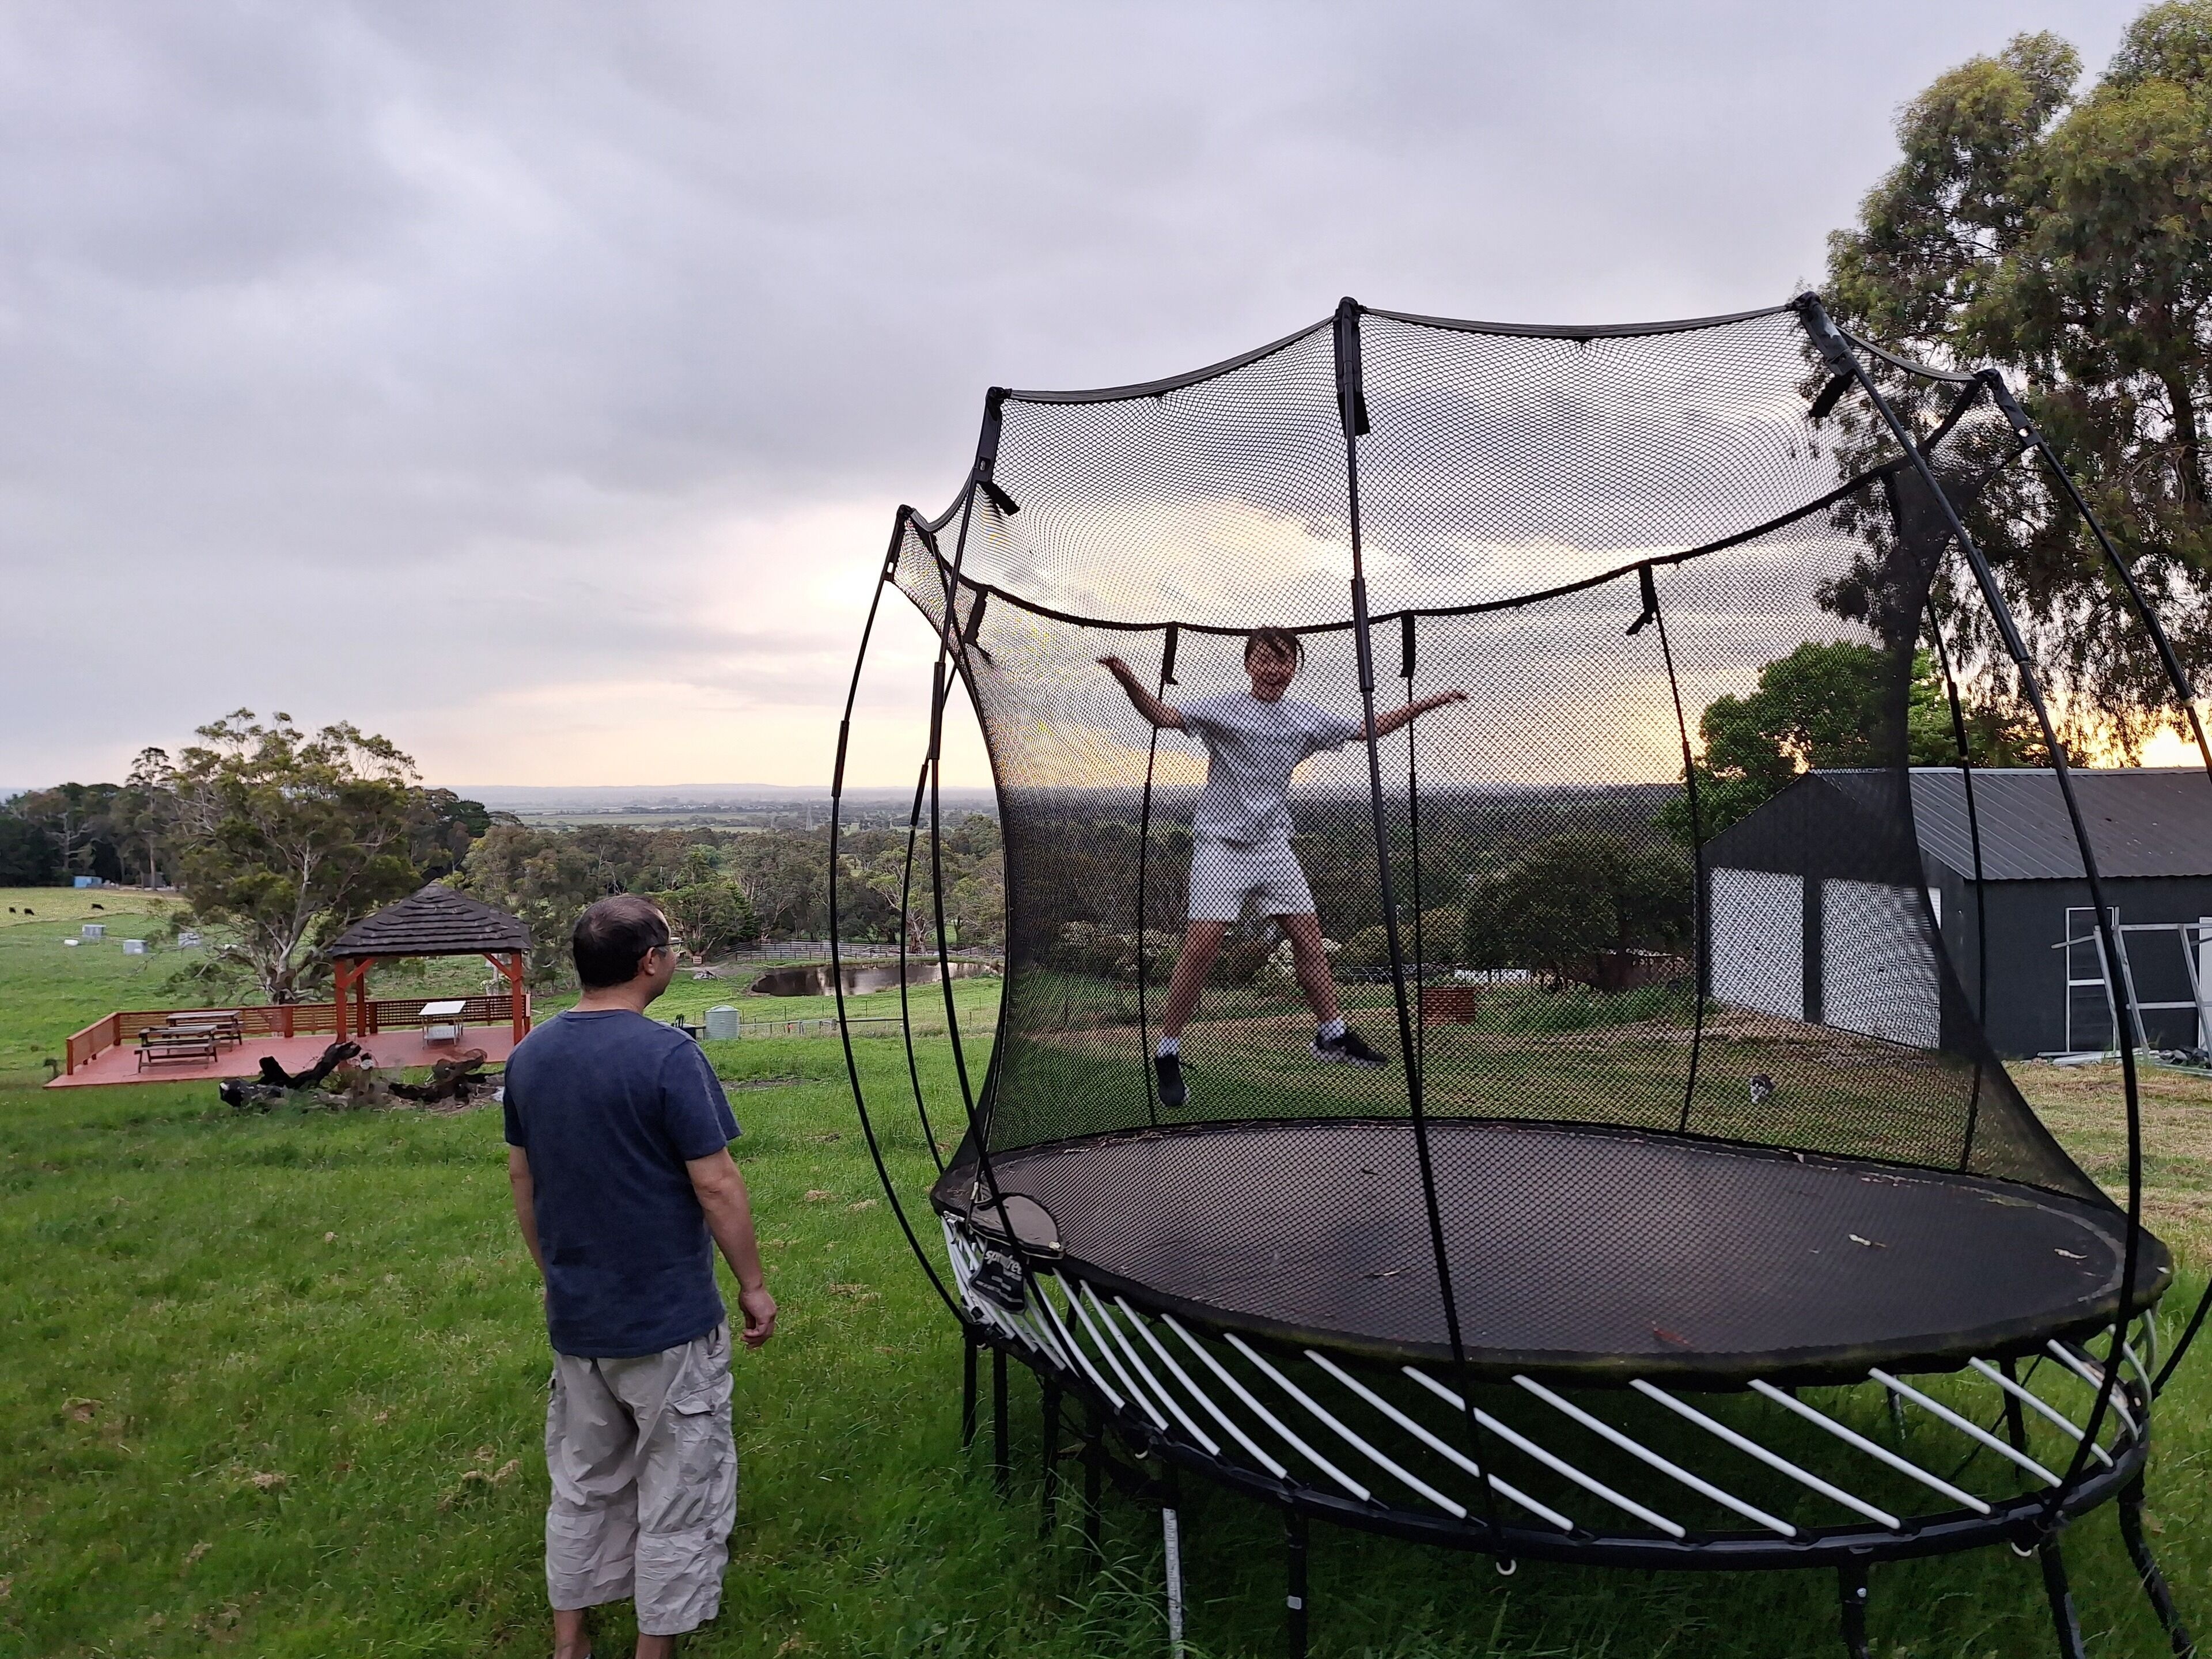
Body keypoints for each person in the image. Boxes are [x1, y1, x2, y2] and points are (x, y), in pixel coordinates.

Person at [505, 895, 778, 1659]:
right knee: (679, 1486)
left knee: (583, 1482)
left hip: (578, 1318)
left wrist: (555, 1273)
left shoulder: (530, 1055)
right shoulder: (668, 1056)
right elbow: (716, 1183)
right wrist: (753, 1285)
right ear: (649, 962)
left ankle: (570, 1643)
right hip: (668, 1320)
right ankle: (653, 1650)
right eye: (672, 946)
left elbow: (523, 1178)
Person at [1100, 627, 1467, 1110]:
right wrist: (1127, 678)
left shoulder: (1304, 718)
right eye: (1264, 659)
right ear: (1248, 664)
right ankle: (1167, 1051)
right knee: (1203, 945)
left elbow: (1368, 729)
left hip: (1273, 845)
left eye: (1284, 660)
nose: (1274, 669)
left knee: (1309, 938)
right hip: (1219, 845)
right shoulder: (1222, 709)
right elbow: (1162, 716)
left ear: (1294, 667)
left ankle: (1331, 1034)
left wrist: (1427, 703)